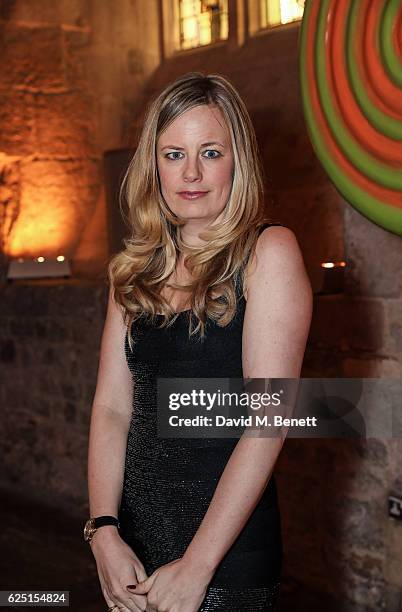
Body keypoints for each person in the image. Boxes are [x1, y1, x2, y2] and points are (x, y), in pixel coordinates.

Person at [86, 72, 313, 612]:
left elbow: (269, 420)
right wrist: (103, 532)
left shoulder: (268, 253)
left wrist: (198, 565)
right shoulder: (134, 271)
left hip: (224, 560)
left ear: (238, 162)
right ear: (153, 164)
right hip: (133, 550)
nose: (190, 172)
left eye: (210, 152)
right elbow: (113, 408)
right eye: (173, 154)